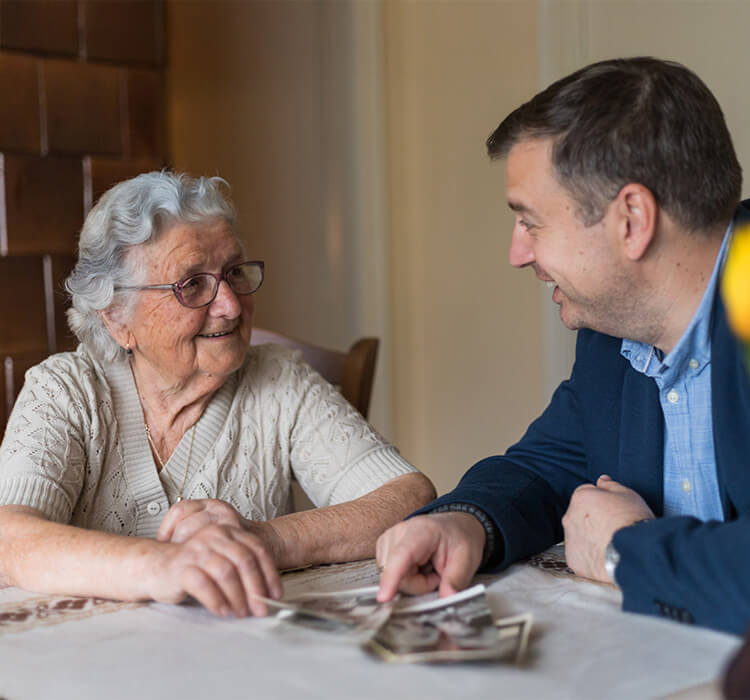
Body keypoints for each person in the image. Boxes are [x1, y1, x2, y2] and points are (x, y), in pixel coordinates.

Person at [375, 57, 750, 635]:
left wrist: (626, 550)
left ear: (631, 220)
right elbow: (548, 465)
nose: (517, 253)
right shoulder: (615, 331)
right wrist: (463, 523)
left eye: (531, 221)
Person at [0, 171, 435, 618]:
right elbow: (8, 539)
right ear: (116, 318)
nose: (229, 304)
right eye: (192, 284)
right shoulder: (66, 391)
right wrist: (162, 566)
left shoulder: (280, 380)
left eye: (234, 272)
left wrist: (265, 539)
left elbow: (409, 497)